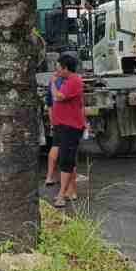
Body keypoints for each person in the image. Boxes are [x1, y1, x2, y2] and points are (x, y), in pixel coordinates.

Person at [49, 55, 85, 208]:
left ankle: (61, 195)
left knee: (65, 160)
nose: (56, 69)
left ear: (65, 68)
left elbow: (58, 97)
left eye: (58, 66)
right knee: (68, 159)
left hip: (70, 127)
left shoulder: (74, 81)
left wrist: (52, 84)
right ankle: (71, 191)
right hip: (64, 125)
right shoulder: (66, 80)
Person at [43, 73, 64, 186]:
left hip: (57, 118)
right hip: (66, 119)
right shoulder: (68, 81)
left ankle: (50, 176)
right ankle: (68, 175)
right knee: (69, 147)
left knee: (55, 145)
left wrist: (52, 122)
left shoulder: (53, 80)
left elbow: (50, 105)